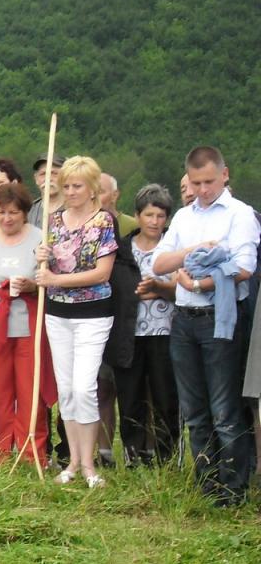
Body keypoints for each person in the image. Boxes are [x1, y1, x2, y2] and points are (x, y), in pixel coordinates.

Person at [153, 145, 259, 507]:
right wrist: (193, 251)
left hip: (221, 317)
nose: (202, 189)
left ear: (224, 175)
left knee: (225, 410)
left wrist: (198, 282)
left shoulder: (240, 214)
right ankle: (206, 485)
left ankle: (233, 490)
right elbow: (159, 263)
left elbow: (244, 267)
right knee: (195, 411)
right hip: (184, 319)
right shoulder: (184, 217)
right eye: (196, 183)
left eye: (209, 182)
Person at [34, 155, 117, 488]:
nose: (70, 191)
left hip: (93, 314)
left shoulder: (103, 221)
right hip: (57, 314)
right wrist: (41, 256)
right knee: (67, 390)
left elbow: (102, 273)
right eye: (66, 185)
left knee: (84, 388)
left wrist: (55, 279)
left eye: (77, 186)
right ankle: (73, 463)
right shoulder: (53, 220)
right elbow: (48, 263)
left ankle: (89, 465)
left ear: (92, 188)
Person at [0, 182, 53, 466]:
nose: (7, 218)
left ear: (25, 212)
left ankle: (32, 451)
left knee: (30, 388)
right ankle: (0, 449)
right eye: (2, 212)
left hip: (28, 320)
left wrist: (32, 285)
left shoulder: (40, 238)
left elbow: (51, 280)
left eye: (14, 212)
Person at [113, 184, 179, 465]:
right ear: (138, 215)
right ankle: (134, 455)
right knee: (130, 396)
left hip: (166, 331)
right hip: (129, 331)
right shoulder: (122, 249)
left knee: (166, 396)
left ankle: (167, 456)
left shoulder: (173, 247)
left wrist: (159, 289)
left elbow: (181, 289)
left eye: (161, 216)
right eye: (149, 215)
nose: (154, 222)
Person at [28, 153, 64, 228]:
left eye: (54, 173)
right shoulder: (28, 211)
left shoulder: (75, 209)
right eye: (43, 174)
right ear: (36, 179)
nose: (48, 178)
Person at [99, 173, 138, 238]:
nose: (93, 197)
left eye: (100, 192)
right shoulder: (82, 226)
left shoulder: (133, 227)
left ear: (114, 195)